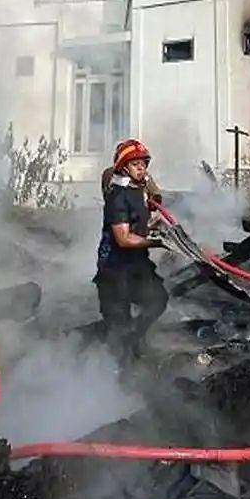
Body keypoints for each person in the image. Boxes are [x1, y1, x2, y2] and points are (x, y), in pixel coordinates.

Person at [94, 138, 169, 364]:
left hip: (137, 265)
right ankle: (114, 379)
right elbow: (124, 238)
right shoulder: (118, 196)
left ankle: (135, 340)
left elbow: (140, 222)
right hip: (114, 271)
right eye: (136, 164)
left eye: (144, 164)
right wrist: (158, 243)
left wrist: (160, 227)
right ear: (124, 167)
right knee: (119, 331)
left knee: (158, 299)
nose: (142, 168)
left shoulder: (139, 191)